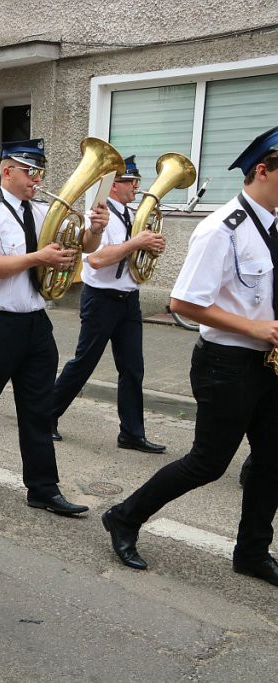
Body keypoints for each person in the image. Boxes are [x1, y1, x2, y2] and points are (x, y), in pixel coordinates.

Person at [103, 126, 278, 587]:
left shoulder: (275, 226)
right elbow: (183, 303)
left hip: (269, 364)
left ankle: (253, 551)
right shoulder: (221, 228)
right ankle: (124, 516)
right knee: (208, 463)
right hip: (228, 363)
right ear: (263, 170)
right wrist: (256, 327)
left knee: (272, 460)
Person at [0, 139, 108, 514]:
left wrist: (94, 230)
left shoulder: (46, 210)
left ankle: (43, 488)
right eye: (30, 171)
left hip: (35, 321)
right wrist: (39, 257)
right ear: (7, 171)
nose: (37, 178)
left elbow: (84, 247)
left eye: (40, 172)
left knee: (38, 408)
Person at [51, 156, 167, 453]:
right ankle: (45, 417)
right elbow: (98, 258)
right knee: (83, 363)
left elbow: (133, 254)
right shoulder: (100, 216)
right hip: (101, 299)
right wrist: (137, 243)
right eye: (131, 182)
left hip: (129, 299)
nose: (137, 187)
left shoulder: (133, 214)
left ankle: (131, 433)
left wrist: (152, 246)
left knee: (132, 368)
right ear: (114, 185)